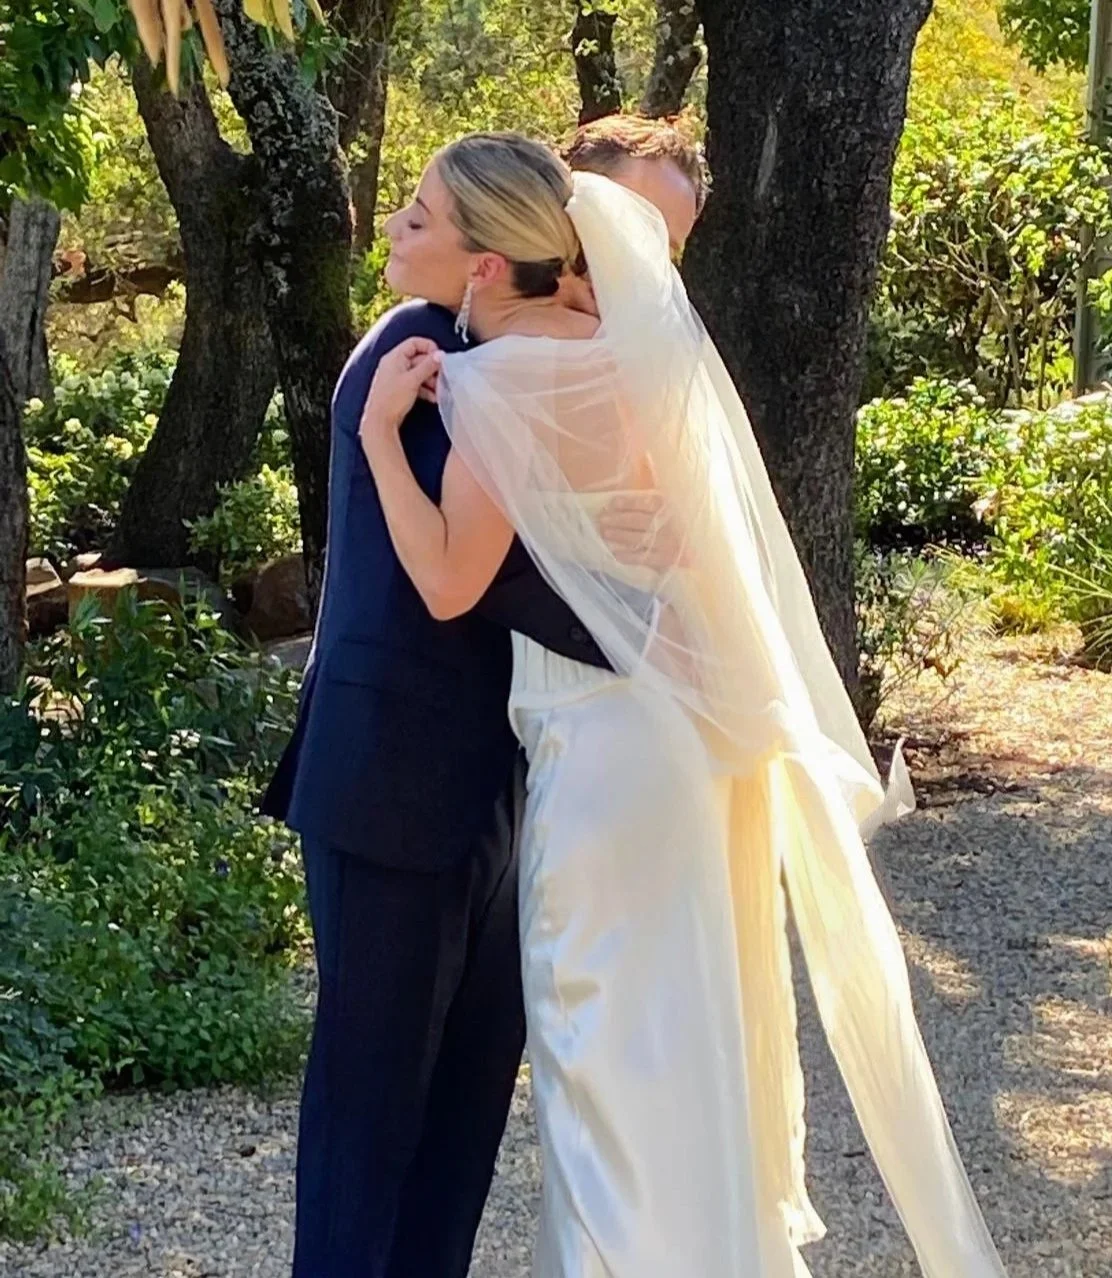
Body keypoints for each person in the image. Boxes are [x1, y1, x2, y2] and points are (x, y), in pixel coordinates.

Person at [360, 132, 1009, 1277]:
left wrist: (377, 439)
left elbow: (453, 578)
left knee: (596, 1049)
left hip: (602, 751)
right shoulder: (630, 362)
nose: (400, 228)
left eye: (419, 215)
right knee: (692, 1045)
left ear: (479, 265)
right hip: (690, 741)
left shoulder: (494, 381)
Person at [261, 117, 708, 1277]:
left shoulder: (535, 362)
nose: (631, 265)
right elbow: (485, 577)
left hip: (513, 784)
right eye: (625, 229)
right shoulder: (428, 355)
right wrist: (650, 631)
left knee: (462, 1113)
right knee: (370, 1109)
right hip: (393, 779)